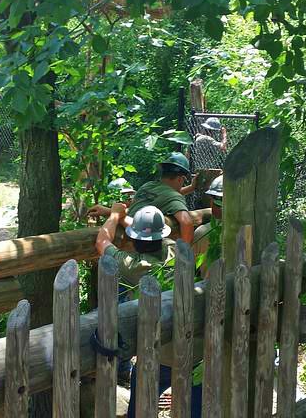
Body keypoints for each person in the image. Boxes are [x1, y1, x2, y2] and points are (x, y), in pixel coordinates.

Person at [94, 203, 203, 417]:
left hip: (158, 352)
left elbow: (101, 241)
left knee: (140, 409)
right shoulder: (174, 248)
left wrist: (115, 214)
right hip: (195, 348)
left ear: (133, 240)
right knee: (195, 410)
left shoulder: (132, 265)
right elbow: (150, 233)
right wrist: (124, 217)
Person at [90, 153, 197, 243]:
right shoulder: (172, 197)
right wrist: (184, 252)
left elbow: (134, 209)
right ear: (180, 179)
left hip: (119, 230)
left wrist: (109, 211)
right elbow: (186, 222)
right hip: (138, 242)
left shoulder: (148, 186)